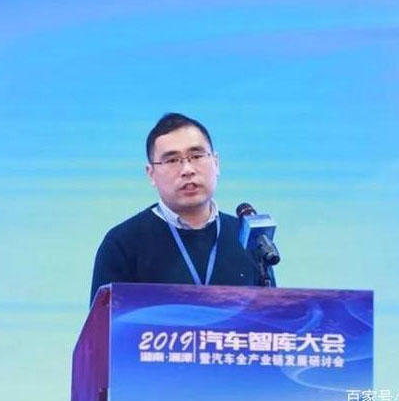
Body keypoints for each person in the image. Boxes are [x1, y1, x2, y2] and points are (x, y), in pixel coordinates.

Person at [90, 113, 273, 304]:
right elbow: (104, 320)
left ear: (216, 163)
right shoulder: (123, 243)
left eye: (197, 156)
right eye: (171, 160)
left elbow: (272, 316)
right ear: (151, 174)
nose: (187, 169)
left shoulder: (248, 237)